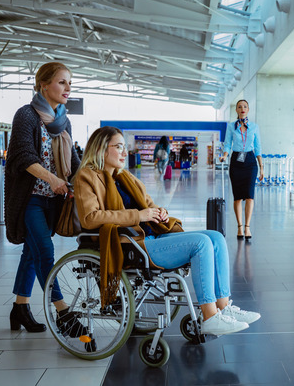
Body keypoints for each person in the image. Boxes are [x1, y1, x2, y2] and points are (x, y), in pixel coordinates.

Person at [73, 126, 260, 335]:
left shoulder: (125, 178)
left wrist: (158, 212)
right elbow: (90, 218)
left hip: (152, 234)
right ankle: (210, 316)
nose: (125, 152)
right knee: (201, 243)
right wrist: (139, 215)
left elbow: (148, 204)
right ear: (101, 149)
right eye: (119, 147)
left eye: (124, 147)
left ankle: (224, 307)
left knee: (215, 237)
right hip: (132, 244)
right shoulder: (87, 177)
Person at [4, 61, 84, 334]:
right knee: (45, 252)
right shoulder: (26, 115)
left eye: (69, 83)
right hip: (30, 199)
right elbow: (22, 157)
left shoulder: (63, 119)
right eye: (62, 82)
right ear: (43, 84)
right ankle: (63, 312)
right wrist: (52, 179)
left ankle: (20, 308)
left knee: (32, 251)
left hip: (54, 201)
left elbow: (72, 161)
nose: (68, 88)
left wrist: (89, 179)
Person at [219, 100, 263, 241]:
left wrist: (262, 168)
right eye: (239, 107)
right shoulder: (231, 127)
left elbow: (258, 148)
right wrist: (224, 156)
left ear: (248, 109)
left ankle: (247, 226)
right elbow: (227, 144)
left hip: (250, 161)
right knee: (237, 196)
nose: (242, 108)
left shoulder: (254, 127)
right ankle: (239, 226)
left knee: (250, 195)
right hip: (236, 160)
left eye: (245, 106)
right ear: (236, 110)